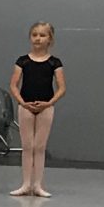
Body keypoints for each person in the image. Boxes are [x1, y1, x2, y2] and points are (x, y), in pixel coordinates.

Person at [10, 21, 65, 197]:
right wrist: (22, 102)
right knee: (27, 146)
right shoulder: (23, 61)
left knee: (39, 147)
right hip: (26, 106)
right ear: (30, 37)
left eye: (42, 35)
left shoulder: (54, 62)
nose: (38, 38)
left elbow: (62, 87)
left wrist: (49, 103)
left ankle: (38, 185)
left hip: (45, 107)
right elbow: (13, 85)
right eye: (34, 35)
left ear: (50, 39)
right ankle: (26, 184)